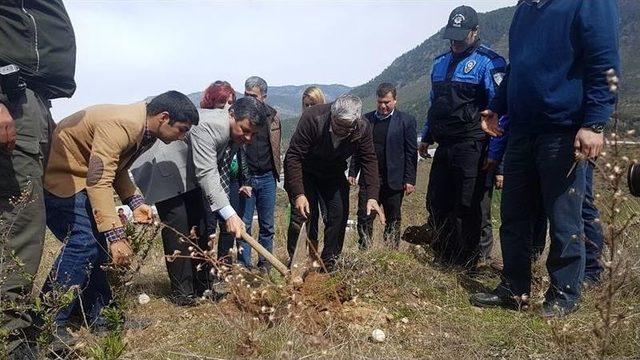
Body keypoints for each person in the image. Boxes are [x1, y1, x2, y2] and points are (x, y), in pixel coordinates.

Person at [471, 0, 619, 317]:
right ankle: (514, 287)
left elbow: (604, 63)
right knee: (514, 215)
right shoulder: (525, 9)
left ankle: (564, 294)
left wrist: (594, 123)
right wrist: (497, 105)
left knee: (564, 218)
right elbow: (517, 68)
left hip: (563, 129)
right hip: (523, 130)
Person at [41, 91, 198, 345]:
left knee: (96, 247)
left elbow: (117, 169)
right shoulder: (123, 125)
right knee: (84, 243)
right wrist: (116, 236)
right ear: (164, 117)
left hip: (81, 178)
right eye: (181, 129)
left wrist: (135, 203)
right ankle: (46, 321)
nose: (183, 136)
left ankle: (103, 316)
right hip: (60, 180)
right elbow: (99, 179)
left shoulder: (145, 130)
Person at [0, 1, 76, 358]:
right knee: (22, 225)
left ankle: (22, 329)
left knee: (25, 223)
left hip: (30, 97)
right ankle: (12, 340)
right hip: (11, 96)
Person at [130, 82, 237, 306]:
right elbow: (208, 172)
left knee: (200, 225)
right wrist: (229, 213)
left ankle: (203, 286)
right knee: (178, 229)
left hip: (188, 173)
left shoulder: (231, 129)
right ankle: (182, 291)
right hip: (162, 168)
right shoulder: (216, 126)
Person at [418, 5, 506, 269]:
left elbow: (500, 111)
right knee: (437, 199)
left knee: (467, 204)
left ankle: (466, 260)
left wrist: (495, 153)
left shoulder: (489, 62)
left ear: (475, 31)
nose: (456, 42)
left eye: (461, 35)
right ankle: (443, 253)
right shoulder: (440, 63)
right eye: (452, 36)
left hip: (473, 144)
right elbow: (436, 103)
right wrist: (426, 135)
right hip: (445, 144)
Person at [284, 94, 385, 271]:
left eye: (346, 128)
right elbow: (293, 156)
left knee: (338, 214)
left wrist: (373, 196)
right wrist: (299, 194)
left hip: (333, 172)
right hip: (306, 170)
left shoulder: (362, 127)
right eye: (337, 124)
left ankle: (328, 264)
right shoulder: (313, 118)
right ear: (332, 114)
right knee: (302, 215)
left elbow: (369, 160)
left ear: (355, 122)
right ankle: (296, 264)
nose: (340, 130)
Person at [189, 96, 267, 265]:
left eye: (253, 134)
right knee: (196, 231)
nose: (248, 138)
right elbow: (208, 173)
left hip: (198, 182)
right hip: (175, 180)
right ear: (232, 114)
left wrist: (227, 210)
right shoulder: (211, 127)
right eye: (245, 130)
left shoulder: (235, 135)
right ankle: (187, 291)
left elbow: (220, 170)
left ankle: (207, 285)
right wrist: (229, 213)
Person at [349, 83, 417, 249]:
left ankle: (391, 251)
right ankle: (365, 249)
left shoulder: (406, 121)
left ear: (395, 101)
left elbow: (411, 152)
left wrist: (410, 179)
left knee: (393, 218)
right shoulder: (365, 120)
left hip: (394, 179)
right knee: (365, 216)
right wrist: (353, 171)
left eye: (387, 102)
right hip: (370, 178)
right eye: (380, 102)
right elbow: (357, 149)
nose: (383, 106)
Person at [236, 77, 282, 272]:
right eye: (246, 95)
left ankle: (265, 265)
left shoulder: (273, 117)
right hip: (245, 178)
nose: (249, 99)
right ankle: (243, 266)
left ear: (264, 96)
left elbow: (275, 146)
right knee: (243, 224)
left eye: (253, 96)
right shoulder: (239, 115)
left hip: (267, 176)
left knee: (267, 225)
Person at [287, 86, 327, 259]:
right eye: (306, 105)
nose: (309, 109)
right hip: (302, 177)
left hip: (321, 176)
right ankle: (294, 258)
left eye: (313, 104)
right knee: (300, 217)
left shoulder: (325, 124)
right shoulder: (301, 126)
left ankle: (313, 256)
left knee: (318, 218)